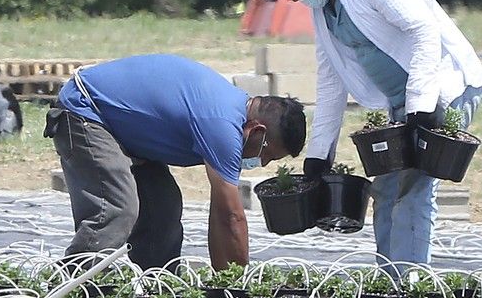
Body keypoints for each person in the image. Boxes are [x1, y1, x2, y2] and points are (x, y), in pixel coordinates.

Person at [265, 0, 482, 269]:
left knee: (413, 188)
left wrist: (421, 106)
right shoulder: (323, 6)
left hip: (442, 88)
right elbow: (331, 79)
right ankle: (388, 280)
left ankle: (409, 286)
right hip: (405, 105)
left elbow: (423, 30)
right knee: (385, 191)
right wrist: (318, 155)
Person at [44, 54, 306, 269]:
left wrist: (222, 280)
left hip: (126, 130)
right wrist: (240, 285)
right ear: (258, 131)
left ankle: (158, 290)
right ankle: (72, 292)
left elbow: (219, 213)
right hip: (88, 111)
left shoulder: (231, 113)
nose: (261, 163)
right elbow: (232, 217)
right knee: (117, 208)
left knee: (163, 207)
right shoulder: (223, 125)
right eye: (266, 154)